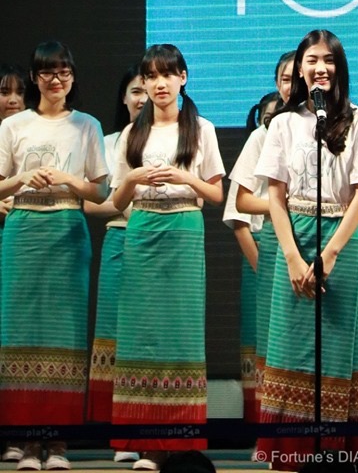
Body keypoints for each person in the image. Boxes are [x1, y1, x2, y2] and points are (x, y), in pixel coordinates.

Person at [254, 30, 358, 471]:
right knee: (291, 347)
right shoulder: (283, 123)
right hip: (295, 236)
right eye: (311, 60)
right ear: (300, 69)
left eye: (328, 60)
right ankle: (291, 455)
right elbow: (275, 196)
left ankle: (338, 454)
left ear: (339, 67)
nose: (320, 68)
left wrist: (330, 254)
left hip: (342, 241)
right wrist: (293, 257)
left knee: (340, 348)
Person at [110, 44, 224, 473]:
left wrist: (184, 177)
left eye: (167, 75)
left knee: (181, 334)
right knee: (141, 333)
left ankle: (180, 445)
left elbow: (216, 194)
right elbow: (117, 199)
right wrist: (136, 178)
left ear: (183, 78)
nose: (160, 84)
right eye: (152, 77)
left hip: (184, 228)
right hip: (142, 229)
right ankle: (148, 447)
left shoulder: (202, 129)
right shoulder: (132, 133)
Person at [0, 42, 108, 472]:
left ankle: (58, 441)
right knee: (19, 332)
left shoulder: (87, 125)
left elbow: (101, 190)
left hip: (67, 230)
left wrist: (67, 179)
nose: (56, 79)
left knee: (66, 333)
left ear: (73, 77)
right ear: (35, 77)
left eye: (64, 71)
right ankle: (26, 441)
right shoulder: (14, 126)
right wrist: (23, 178)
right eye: (47, 72)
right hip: (23, 230)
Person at [223, 53, 295, 427]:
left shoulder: (333, 128)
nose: (293, 86)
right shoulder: (263, 136)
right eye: (286, 79)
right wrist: (291, 206)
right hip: (274, 246)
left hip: (324, 246)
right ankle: (273, 431)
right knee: (272, 340)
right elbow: (241, 204)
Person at [85, 66, 148, 462]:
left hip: (158, 241)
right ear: (124, 98)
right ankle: (118, 433)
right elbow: (95, 203)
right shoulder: (109, 142)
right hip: (119, 239)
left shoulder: (174, 136)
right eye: (135, 90)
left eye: (148, 89)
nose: (143, 97)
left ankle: (145, 430)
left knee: (148, 336)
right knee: (114, 333)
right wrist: (121, 203)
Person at [0, 64, 28, 466]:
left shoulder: (26, 134)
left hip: (21, 244)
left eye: (19, 92)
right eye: (5, 92)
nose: (13, 100)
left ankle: (18, 432)